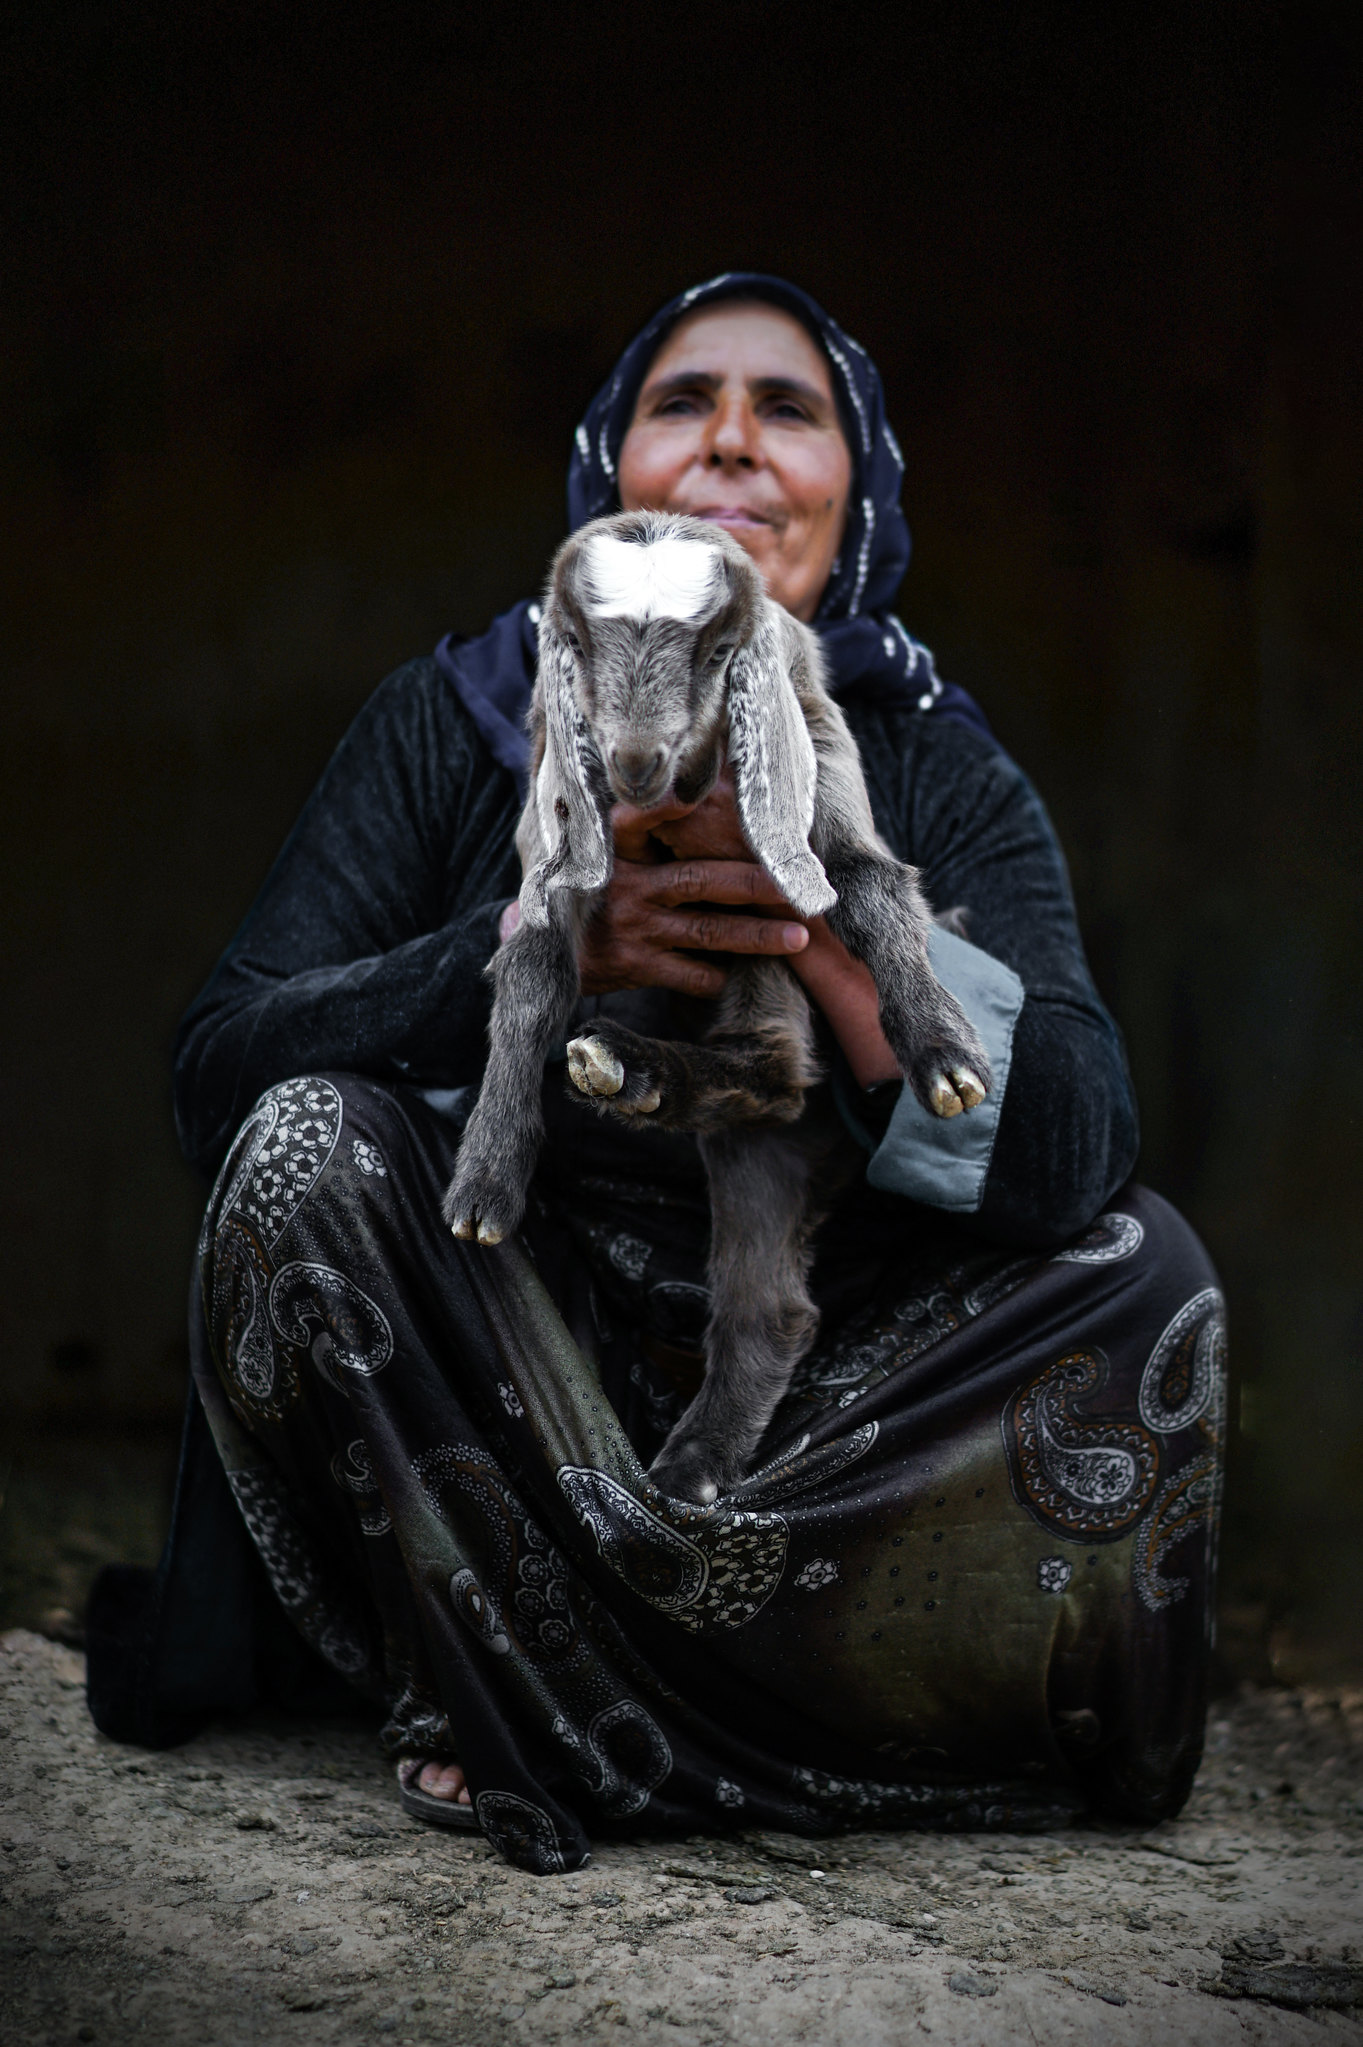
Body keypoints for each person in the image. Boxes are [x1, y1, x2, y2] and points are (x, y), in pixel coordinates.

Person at [86, 275, 1227, 1875]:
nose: (735, 448)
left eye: (793, 410)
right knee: (303, 1148)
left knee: (1145, 1270)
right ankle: (747, 1711)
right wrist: (552, 946)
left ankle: (543, 1699)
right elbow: (220, 1068)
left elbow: (1072, 1147)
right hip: (491, 1370)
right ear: (606, 486)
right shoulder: (460, 722)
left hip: (801, 1401)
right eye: (683, 404)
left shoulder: (926, 760)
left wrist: (819, 930)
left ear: (861, 487)